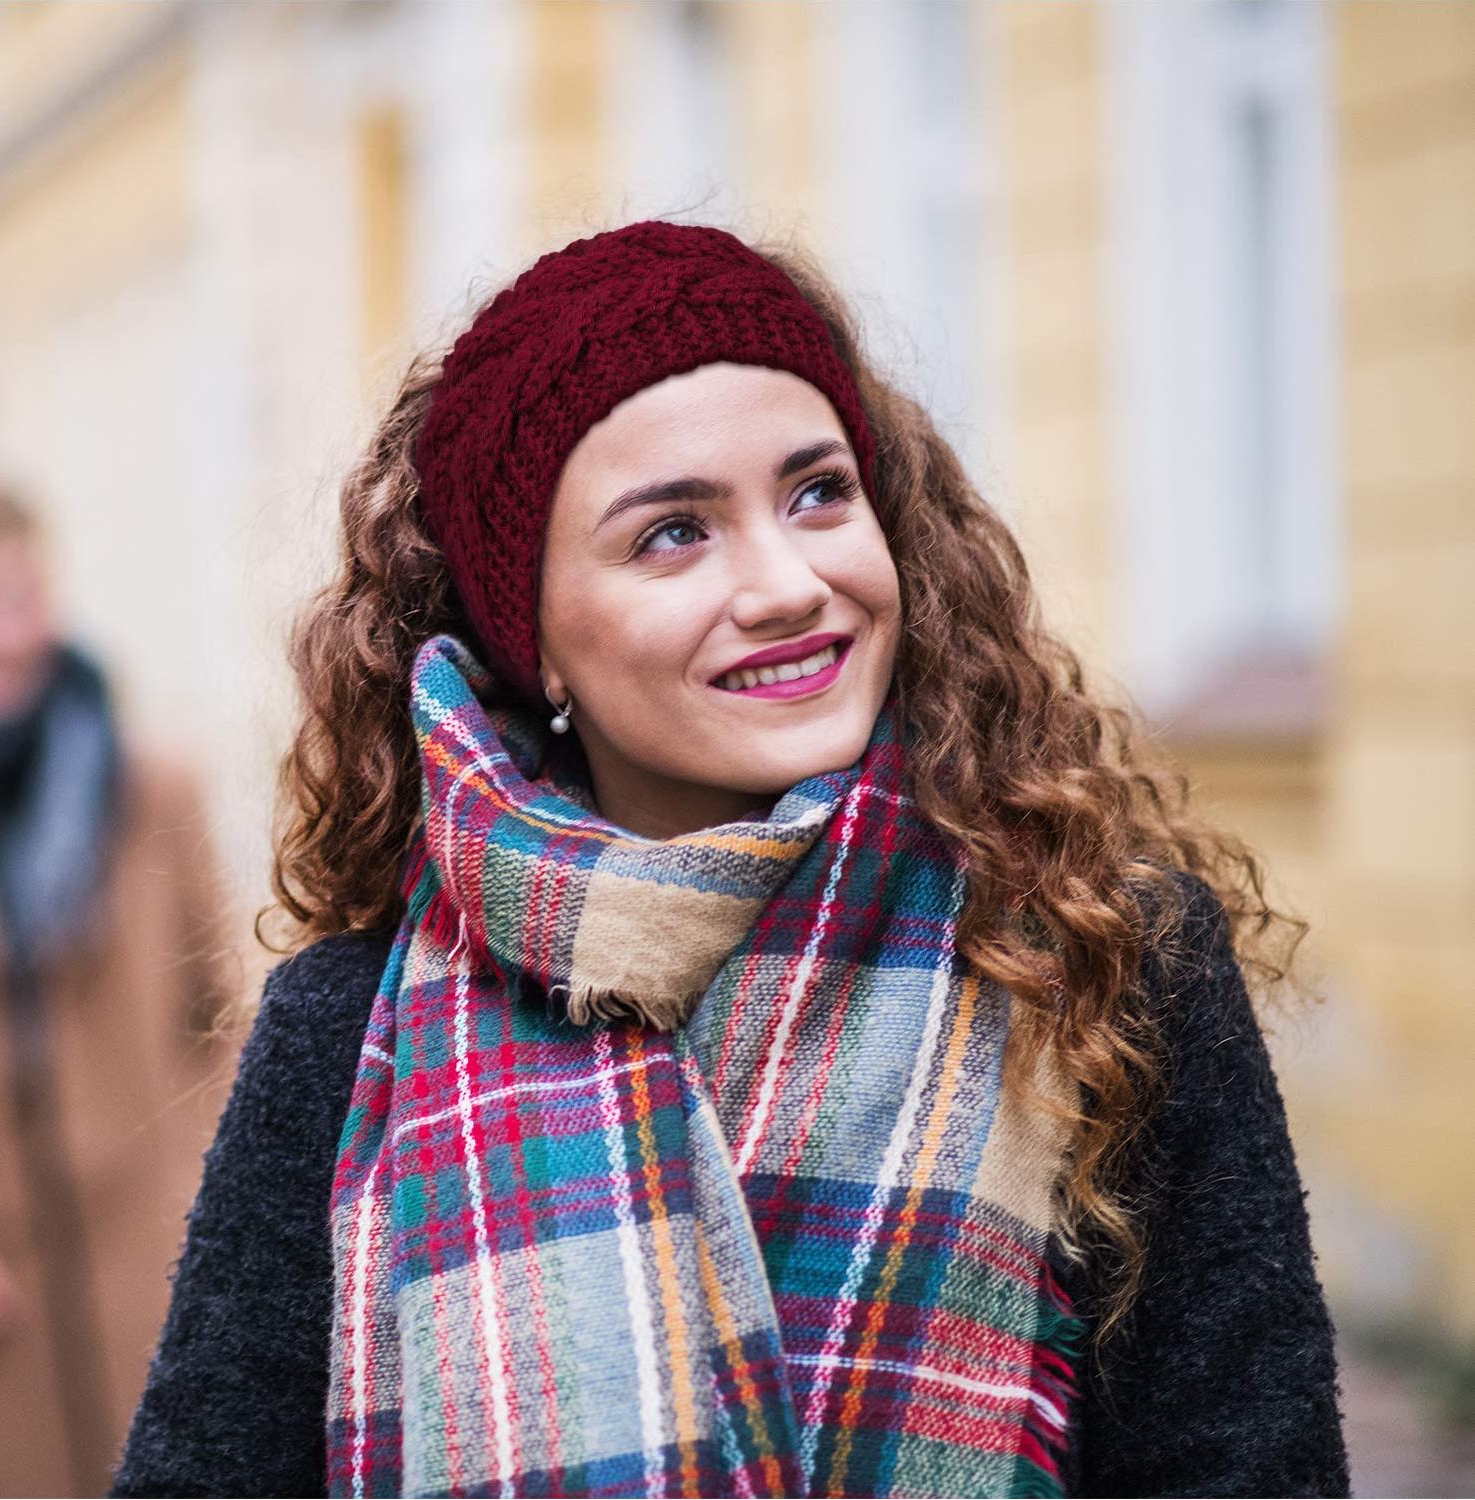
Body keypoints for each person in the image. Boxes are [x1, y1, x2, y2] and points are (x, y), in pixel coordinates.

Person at [113, 220, 1348, 1498]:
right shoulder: (354, 1026)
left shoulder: (1098, 958)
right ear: (530, 636)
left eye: (819, 493)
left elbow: (1253, 1469)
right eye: (673, 533)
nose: (787, 583)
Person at [0, 487, 238, 1497]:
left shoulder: (148, 787)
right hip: (0, 1285)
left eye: (13, 597)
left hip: (145, 1240)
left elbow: (219, 1005)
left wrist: (204, 1196)